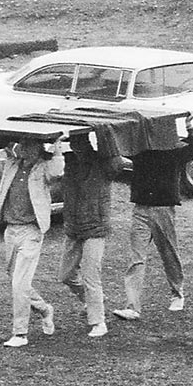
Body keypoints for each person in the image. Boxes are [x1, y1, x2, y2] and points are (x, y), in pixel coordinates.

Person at [0, 134, 65, 347]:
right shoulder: (10, 166)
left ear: (38, 149)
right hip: (10, 231)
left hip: (31, 232)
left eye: (29, 145)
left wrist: (58, 147)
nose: (23, 148)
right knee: (16, 281)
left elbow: (57, 170)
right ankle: (44, 309)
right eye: (22, 144)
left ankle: (20, 333)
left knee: (19, 284)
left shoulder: (43, 168)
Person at [112, 115, 193, 321]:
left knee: (169, 253)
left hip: (163, 208)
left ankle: (177, 293)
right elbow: (120, 146)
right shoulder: (140, 151)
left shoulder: (175, 151)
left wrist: (189, 127)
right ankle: (132, 307)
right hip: (141, 208)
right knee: (136, 258)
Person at [57, 132, 122, 338]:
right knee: (66, 275)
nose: (77, 146)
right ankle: (92, 300)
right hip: (74, 227)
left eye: (80, 142)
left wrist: (106, 134)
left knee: (90, 275)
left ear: (87, 142)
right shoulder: (69, 163)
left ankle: (98, 321)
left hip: (95, 227)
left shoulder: (103, 164)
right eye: (74, 143)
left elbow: (117, 164)